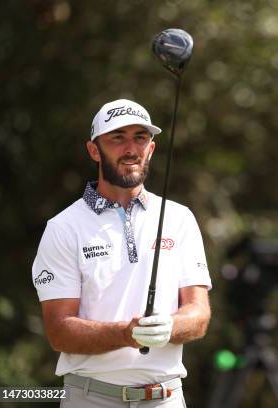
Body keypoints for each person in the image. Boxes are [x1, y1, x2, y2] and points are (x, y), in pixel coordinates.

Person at [31, 99, 212, 407]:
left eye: (140, 137)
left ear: (151, 149)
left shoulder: (179, 218)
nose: (131, 148)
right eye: (117, 137)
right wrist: (125, 334)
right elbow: (59, 331)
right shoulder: (64, 227)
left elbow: (199, 312)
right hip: (90, 397)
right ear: (93, 150)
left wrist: (171, 326)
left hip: (165, 398)